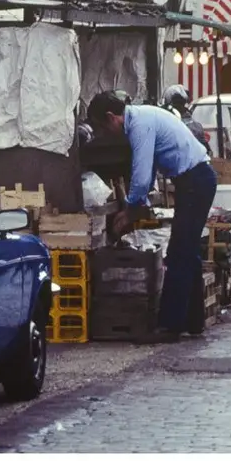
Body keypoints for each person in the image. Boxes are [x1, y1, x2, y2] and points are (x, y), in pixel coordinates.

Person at [87, 91, 216, 341]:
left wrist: (130, 209)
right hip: (195, 180)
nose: (107, 133)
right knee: (188, 250)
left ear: (112, 117)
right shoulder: (143, 117)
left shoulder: (140, 126)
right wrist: (137, 204)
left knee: (179, 251)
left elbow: (142, 176)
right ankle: (193, 321)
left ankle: (170, 326)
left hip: (195, 180)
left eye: (104, 127)